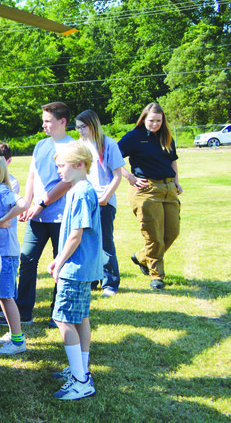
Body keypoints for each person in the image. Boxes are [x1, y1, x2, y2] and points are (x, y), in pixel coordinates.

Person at [47, 141, 101, 400]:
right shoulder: (82, 188)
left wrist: (59, 261)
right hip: (82, 266)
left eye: (62, 166)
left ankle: (81, 380)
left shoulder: (80, 192)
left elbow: (75, 235)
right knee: (80, 318)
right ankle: (80, 370)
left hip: (75, 268)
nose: (58, 171)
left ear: (80, 165)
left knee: (63, 319)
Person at [14, 102, 75, 326]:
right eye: (44, 120)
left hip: (61, 217)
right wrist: (26, 204)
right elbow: (32, 176)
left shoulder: (73, 146)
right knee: (27, 260)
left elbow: (67, 183)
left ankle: (58, 312)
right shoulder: (40, 145)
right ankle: (23, 311)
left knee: (61, 263)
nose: (44, 124)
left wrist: (41, 203)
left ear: (63, 122)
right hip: (37, 217)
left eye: (48, 120)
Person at [117, 103, 182, 290]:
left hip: (168, 188)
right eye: (151, 120)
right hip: (146, 190)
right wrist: (129, 177)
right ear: (144, 119)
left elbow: (173, 161)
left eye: (158, 121)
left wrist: (177, 181)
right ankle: (156, 275)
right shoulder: (133, 137)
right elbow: (113, 156)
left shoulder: (166, 136)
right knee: (154, 234)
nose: (155, 124)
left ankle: (141, 257)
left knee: (172, 231)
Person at [75, 110, 126, 297]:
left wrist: (105, 197)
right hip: (85, 199)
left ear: (93, 125)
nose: (80, 131)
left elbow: (118, 175)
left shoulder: (108, 144)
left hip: (104, 201)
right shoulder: (79, 146)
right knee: (86, 241)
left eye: (83, 127)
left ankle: (110, 283)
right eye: (78, 127)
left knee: (104, 242)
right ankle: (91, 280)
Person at [0, 155, 29, 355]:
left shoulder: (1, 190)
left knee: (6, 296)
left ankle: (18, 341)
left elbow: (23, 204)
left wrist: (2, 219)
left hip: (6, 254)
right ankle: (13, 334)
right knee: (0, 296)